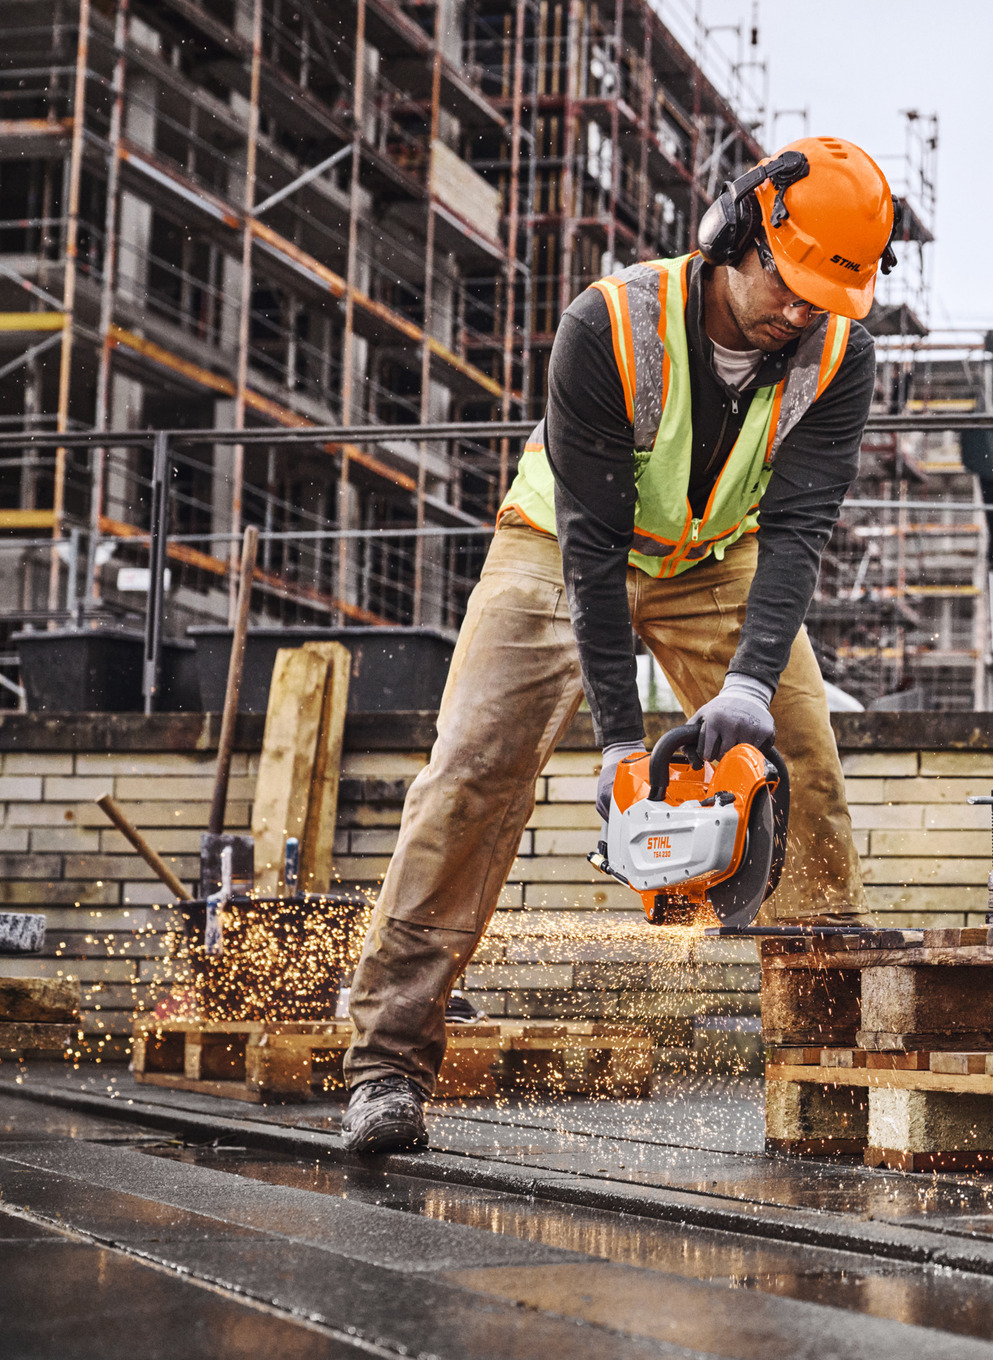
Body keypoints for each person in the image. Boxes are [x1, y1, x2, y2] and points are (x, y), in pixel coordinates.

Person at [338, 136, 891, 1155]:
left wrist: (752, 687)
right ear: (734, 233)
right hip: (562, 542)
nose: (800, 313)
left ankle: (829, 1074)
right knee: (470, 774)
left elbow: (799, 529)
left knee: (805, 769)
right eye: (788, 282)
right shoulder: (610, 325)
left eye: (825, 298)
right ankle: (386, 1067)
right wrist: (620, 745)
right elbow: (593, 551)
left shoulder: (840, 355)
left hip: (717, 554)